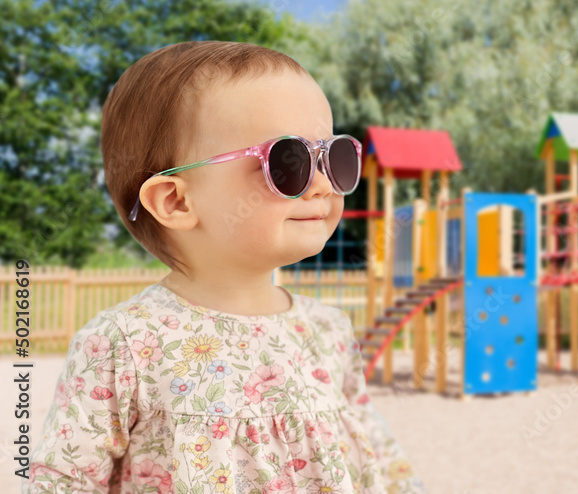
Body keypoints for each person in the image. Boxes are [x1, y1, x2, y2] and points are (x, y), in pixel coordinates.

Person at [23, 41, 426, 494]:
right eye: (288, 162)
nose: (321, 186)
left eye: (335, 158)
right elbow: (63, 480)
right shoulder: (124, 345)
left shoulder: (328, 329)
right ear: (176, 200)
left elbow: (376, 452)